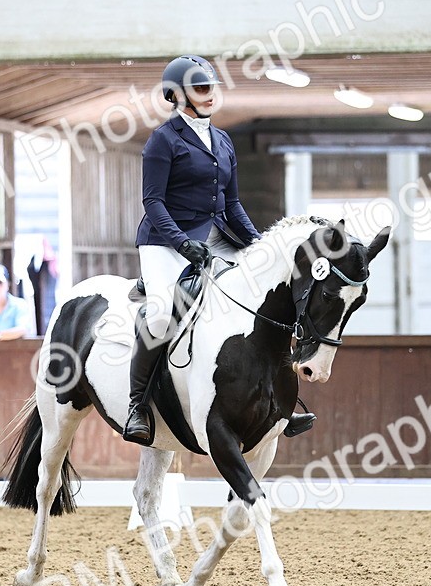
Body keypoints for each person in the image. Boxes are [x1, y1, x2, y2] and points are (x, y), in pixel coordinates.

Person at [122, 55, 315, 443]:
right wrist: (182, 243)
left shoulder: (223, 139)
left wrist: (260, 246)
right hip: (165, 240)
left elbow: (232, 203)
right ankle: (137, 405)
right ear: (177, 95)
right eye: (201, 88)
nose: (210, 94)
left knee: (266, 298)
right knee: (160, 316)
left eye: (211, 87)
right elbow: (153, 202)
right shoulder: (163, 140)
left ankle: (280, 400)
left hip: (216, 236)